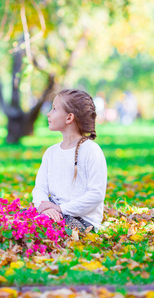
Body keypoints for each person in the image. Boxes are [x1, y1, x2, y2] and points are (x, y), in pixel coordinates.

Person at [32, 89, 107, 232]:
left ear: (69, 118)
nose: (48, 113)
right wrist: (45, 207)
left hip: (83, 221)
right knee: (22, 217)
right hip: (53, 212)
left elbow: (96, 195)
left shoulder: (92, 151)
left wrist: (60, 209)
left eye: (54, 109)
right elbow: (40, 188)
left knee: (44, 225)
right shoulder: (51, 152)